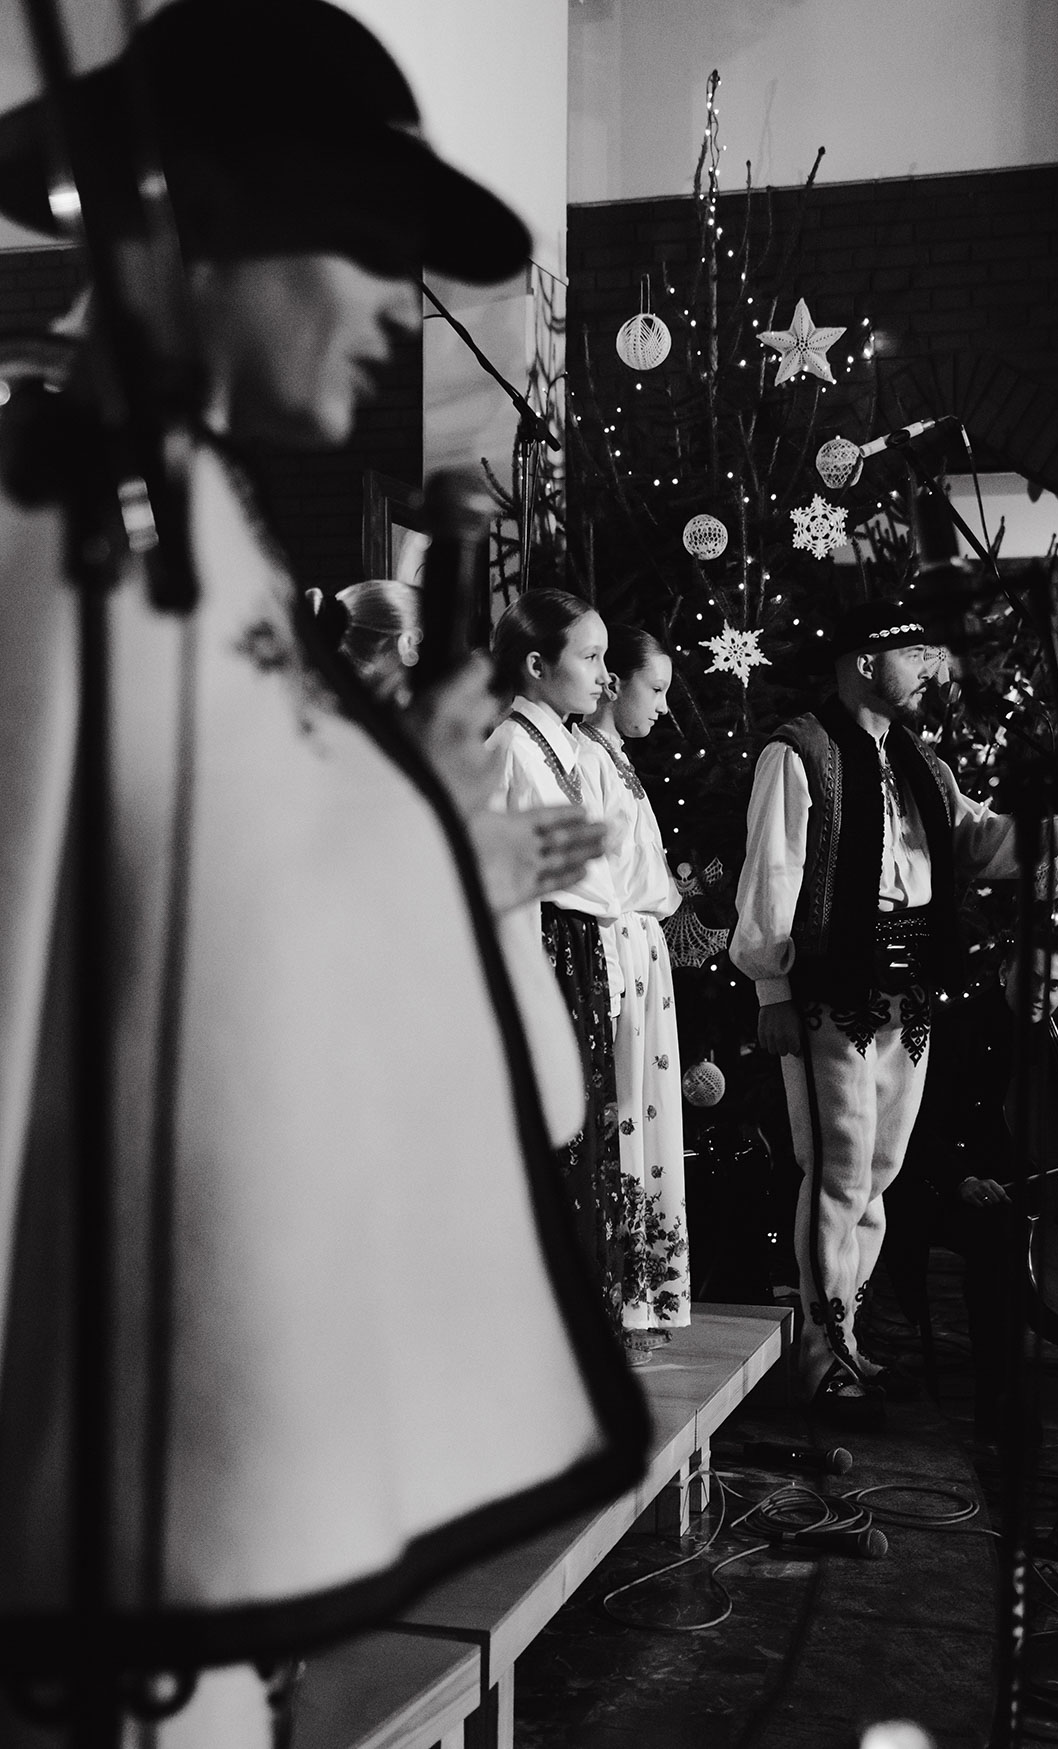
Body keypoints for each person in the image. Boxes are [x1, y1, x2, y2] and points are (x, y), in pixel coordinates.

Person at [0, 6, 646, 1743]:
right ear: (211, 219)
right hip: (82, 1557)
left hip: (192, 1520)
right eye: (365, 246)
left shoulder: (198, 537)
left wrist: (435, 838)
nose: (395, 311)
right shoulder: (60, 532)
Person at [730, 600, 1039, 1429]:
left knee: (879, 1172)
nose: (933, 667)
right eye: (918, 653)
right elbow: (772, 877)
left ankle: (845, 1337)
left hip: (912, 987)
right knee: (838, 1170)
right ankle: (819, 1358)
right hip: (833, 985)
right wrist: (772, 991)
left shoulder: (919, 760)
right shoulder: (801, 751)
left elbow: (976, 841)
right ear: (867, 661)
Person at [489, 590, 627, 1331]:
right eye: (592, 657)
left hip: (577, 944)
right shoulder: (510, 746)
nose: (606, 676)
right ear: (537, 665)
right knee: (553, 1126)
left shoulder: (569, 746)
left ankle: (580, 1309)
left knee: (584, 1126)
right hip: (543, 945)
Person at [887, 932, 1058, 1448]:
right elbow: (914, 1126)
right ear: (1005, 972)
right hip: (941, 1187)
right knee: (1000, 1245)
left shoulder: (1055, 1039)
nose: (1043, 995)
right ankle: (999, 1400)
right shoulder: (955, 1029)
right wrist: (961, 1179)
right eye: (1033, 979)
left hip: (1019, 1186)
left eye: (1056, 986)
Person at [575, 626, 690, 1355]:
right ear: (613, 682)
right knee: (623, 1119)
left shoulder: (616, 761)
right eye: (655, 689)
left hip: (644, 949)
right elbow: (599, 882)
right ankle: (619, 1296)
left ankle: (643, 1292)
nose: (664, 706)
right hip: (618, 949)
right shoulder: (587, 759)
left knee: (649, 1119)